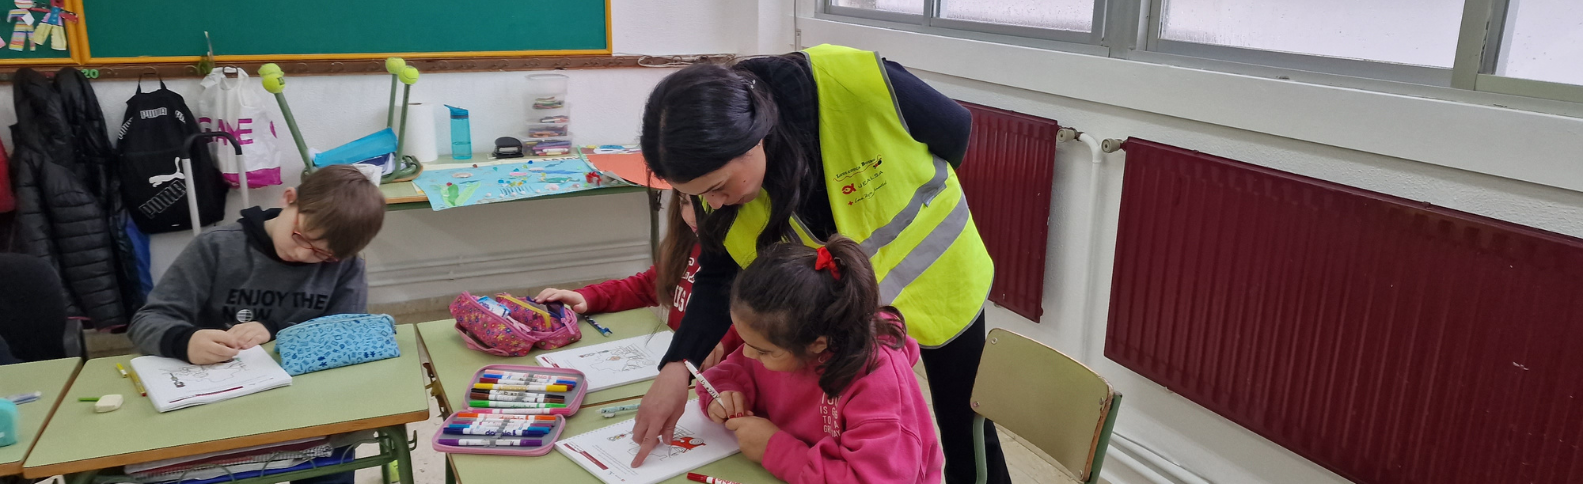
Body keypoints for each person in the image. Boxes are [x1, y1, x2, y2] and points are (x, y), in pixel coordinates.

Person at [631, 44, 1011, 483]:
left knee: (965, 431)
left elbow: (955, 130)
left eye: (717, 186)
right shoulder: (718, 189)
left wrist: (895, 175)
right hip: (842, 311)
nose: (712, 203)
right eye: (698, 195)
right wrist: (679, 367)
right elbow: (719, 274)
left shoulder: (850, 81)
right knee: (857, 423)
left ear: (753, 137)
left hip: (938, 279)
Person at [700, 236, 941, 483]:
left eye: (763, 352)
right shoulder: (779, 340)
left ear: (817, 344)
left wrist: (773, 449)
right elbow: (729, 371)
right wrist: (723, 393)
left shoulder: (876, 382)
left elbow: (873, 479)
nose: (748, 355)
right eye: (746, 343)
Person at [128, 164, 385, 365]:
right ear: (288, 199)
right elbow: (147, 321)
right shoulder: (216, 247)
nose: (302, 254)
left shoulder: (346, 266)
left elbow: (345, 337)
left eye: (321, 254)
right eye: (301, 237)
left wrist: (274, 330)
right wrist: (184, 342)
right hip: (219, 384)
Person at [533, 190, 743, 368]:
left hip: (726, 374)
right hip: (681, 362)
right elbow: (645, 286)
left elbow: (759, 322)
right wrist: (587, 297)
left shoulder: (743, 256)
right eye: (684, 202)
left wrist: (720, 341)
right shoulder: (688, 245)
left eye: (702, 206)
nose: (690, 216)